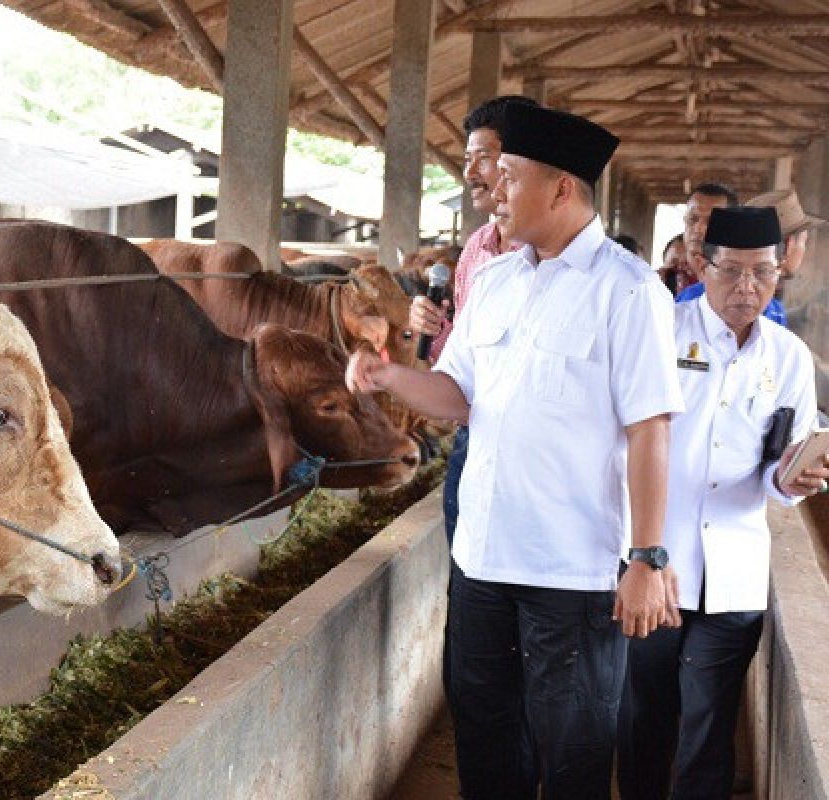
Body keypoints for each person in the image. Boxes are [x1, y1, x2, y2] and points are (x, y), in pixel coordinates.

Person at [347, 104, 684, 800]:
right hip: (482, 561)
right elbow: (459, 394)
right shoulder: (495, 280)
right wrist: (390, 377)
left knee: (574, 752)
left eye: (508, 175)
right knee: (485, 737)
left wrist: (647, 558)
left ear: (562, 188)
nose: (494, 191)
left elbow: (650, 430)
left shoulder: (628, 291)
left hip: (573, 572)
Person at [617, 206, 825, 800]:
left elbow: (778, 466)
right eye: (731, 271)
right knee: (644, 716)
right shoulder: (662, 333)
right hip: (656, 561)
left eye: (762, 273)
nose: (747, 288)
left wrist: (793, 479)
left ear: (780, 273)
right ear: (702, 268)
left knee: (710, 724)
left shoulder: (787, 357)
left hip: (733, 569)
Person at [432, 94, 538, 544]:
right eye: (467, 159)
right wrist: (433, 329)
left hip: (532, 451)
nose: (470, 173)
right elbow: (459, 352)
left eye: (484, 159)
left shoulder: (551, 255)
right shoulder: (475, 248)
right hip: (471, 438)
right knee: (466, 575)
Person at [675, 184, 787, 325]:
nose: (699, 229)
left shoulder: (771, 319)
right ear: (701, 265)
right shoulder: (668, 290)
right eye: (693, 219)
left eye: (712, 222)